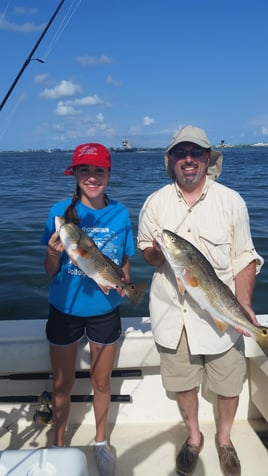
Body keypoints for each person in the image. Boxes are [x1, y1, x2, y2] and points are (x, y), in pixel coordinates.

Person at [137, 125, 264, 476]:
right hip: (171, 316)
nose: (188, 159)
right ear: (171, 161)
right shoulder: (155, 203)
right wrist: (157, 254)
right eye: (180, 153)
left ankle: (224, 440)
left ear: (208, 159)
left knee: (227, 385)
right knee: (183, 384)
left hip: (221, 314)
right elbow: (146, 251)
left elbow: (244, 258)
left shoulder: (231, 201)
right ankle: (194, 437)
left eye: (195, 153)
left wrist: (245, 303)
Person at [41, 143, 135, 476]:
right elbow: (49, 270)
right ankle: (59, 442)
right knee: (62, 384)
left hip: (105, 308)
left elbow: (123, 261)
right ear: (75, 174)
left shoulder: (121, 213)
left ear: (109, 174)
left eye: (99, 171)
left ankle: (100, 442)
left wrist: (122, 281)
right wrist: (54, 253)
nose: (92, 177)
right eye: (85, 170)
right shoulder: (60, 212)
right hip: (65, 308)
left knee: (102, 382)